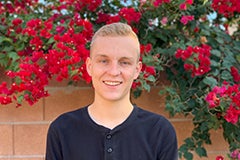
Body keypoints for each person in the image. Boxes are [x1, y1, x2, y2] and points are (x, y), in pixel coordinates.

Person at [45, 22, 178, 160]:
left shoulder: (159, 131)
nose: (114, 72)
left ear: (137, 70)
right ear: (89, 66)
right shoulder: (63, 130)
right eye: (104, 61)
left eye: (124, 62)